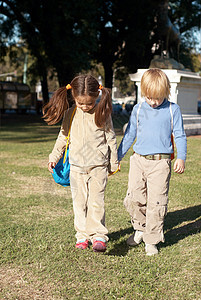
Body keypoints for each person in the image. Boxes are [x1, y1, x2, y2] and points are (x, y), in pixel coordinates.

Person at [43, 74, 119, 253]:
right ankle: (82, 236)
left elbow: (111, 138)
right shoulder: (70, 113)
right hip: (76, 167)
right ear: (74, 97)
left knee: (96, 201)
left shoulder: (102, 112)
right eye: (80, 103)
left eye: (89, 103)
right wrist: (53, 156)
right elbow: (62, 137)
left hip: (98, 166)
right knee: (79, 203)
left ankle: (98, 235)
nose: (85, 107)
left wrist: (113, 162)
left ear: (97, 96)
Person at [118, 68, 187, 256]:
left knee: (157, 202)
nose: (153, 102)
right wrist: (118, 157)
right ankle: (139, 228)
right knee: (134, 198)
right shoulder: (138, 109)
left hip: (160, 164)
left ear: (165, 93)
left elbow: (180, 135)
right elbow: (130, 134)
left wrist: (181, 157)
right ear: (144, 93)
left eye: (157, 98)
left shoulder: (173, 110)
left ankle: (152, 239)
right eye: (149, 97)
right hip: (138, 161)